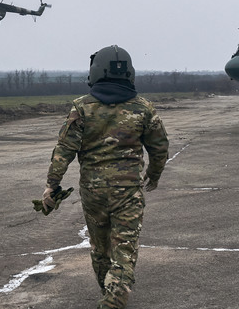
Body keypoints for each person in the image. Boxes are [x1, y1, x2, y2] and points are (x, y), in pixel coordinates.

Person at [41, 45, 169, 309]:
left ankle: (109, 292)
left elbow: (63, 150)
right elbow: (159, 148)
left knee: (100, 249)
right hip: (128, 194)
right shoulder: (144, 108)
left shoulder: (82, 108)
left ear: (96, 71)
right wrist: (153, 176)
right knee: (124, 251)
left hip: (94, 193)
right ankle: (113, 299)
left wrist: (51, 186)